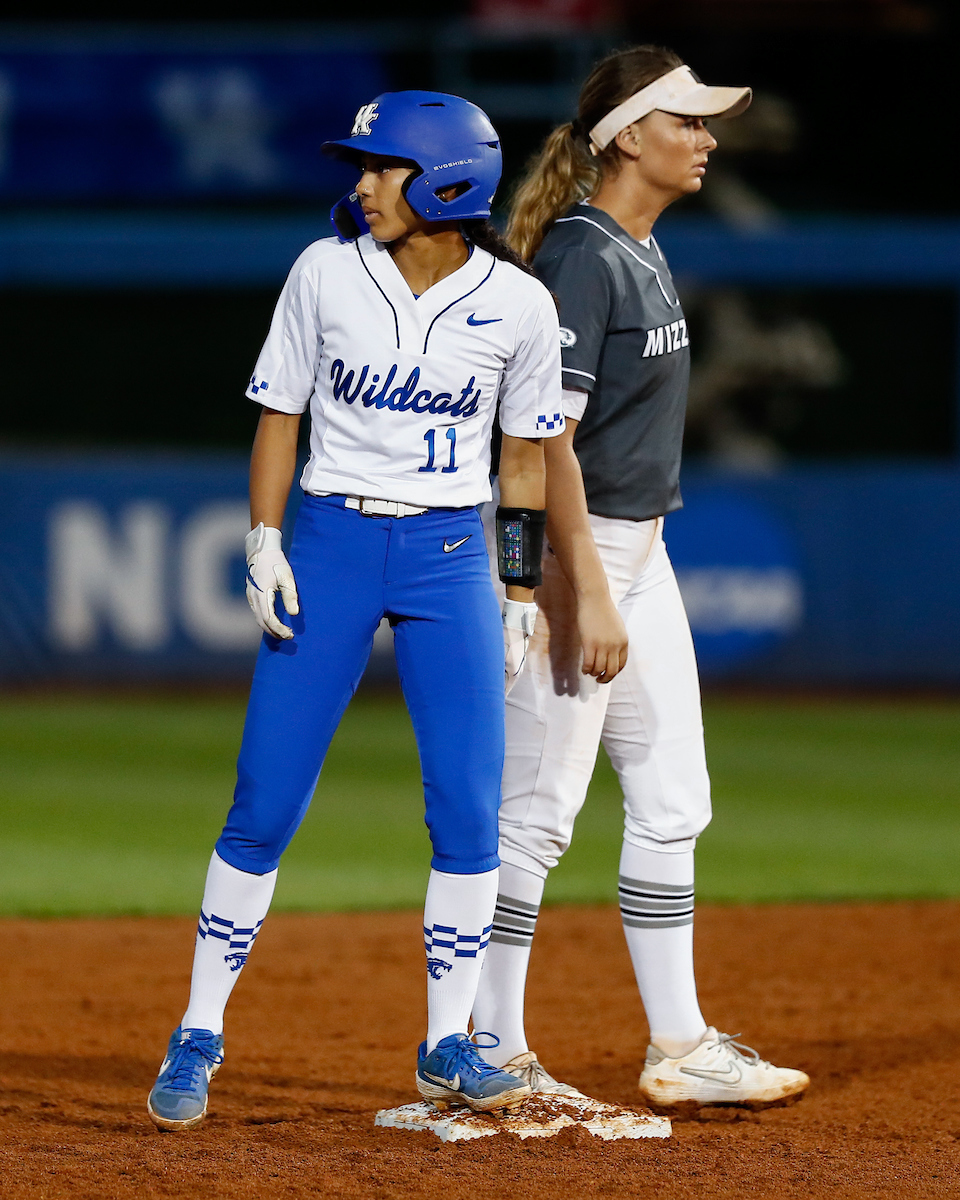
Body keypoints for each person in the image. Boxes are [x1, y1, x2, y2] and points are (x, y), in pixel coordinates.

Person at [146, 90, 626, 1132]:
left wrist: (511, 588)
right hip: (330, 540)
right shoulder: (325, 271)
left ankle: (448, 1041)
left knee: (465, 807)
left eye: (383, 165)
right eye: (361, 165)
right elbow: (281, 414)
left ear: (447, 181)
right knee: (265, 799)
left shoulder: (520, 306)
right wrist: (266, 538)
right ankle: (199, 1026)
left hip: (451, 554)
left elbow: (524, 458)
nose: (361, 183)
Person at [471, 46, 810, 1111]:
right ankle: (488, 1049)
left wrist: (626, 579)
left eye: (708, 125)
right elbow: (546, 442)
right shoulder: (582, 256)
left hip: (639, 552)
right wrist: (583, 591)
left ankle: (678, 1045)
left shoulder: (641, 248)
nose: (707, 140)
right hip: (584, 554)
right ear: (628, 138)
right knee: (535, 813)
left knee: (672, 801)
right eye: (689, 123)